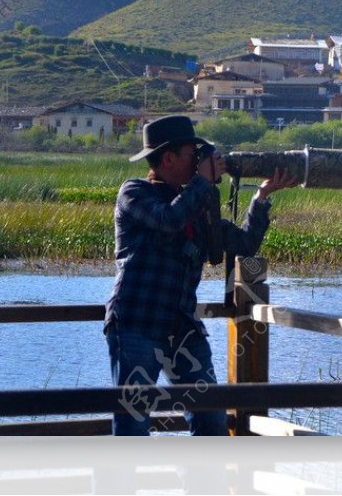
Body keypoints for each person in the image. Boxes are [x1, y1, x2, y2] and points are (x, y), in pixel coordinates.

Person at [104, 114, 299, 435]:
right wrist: (202, 183)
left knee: (211, 418)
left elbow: (243, 244)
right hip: (137, 323)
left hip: (182, 327)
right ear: (168, 158)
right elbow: (169, 219)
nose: (199, 162)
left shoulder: (197, 200)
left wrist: (261, 198)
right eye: (192, 155)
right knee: (133, 425)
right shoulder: (134, 193)